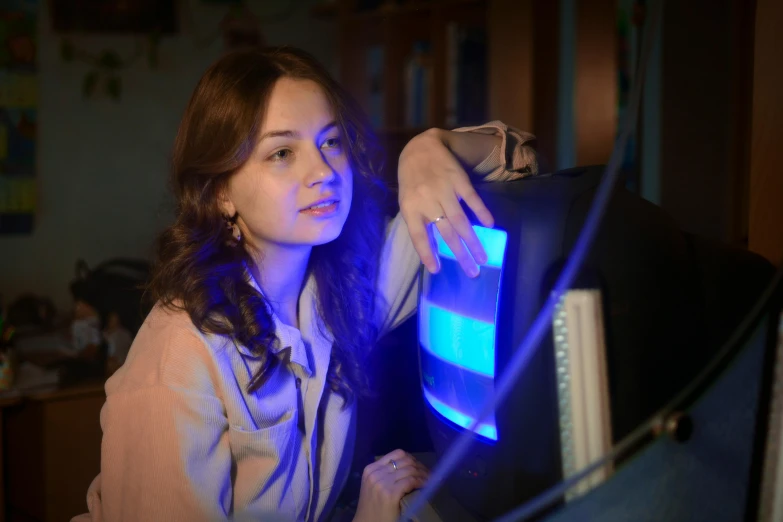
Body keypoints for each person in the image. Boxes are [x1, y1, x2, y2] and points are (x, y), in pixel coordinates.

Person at [74, 46, 538, 522]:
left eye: (331, 142)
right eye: (282, 153)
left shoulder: (342, 286)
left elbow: (517, 161)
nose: (323, 173)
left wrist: (428, 149)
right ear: (219, 194)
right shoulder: (177, 363)